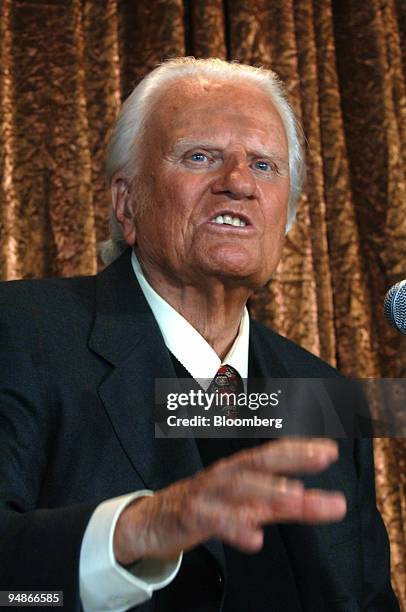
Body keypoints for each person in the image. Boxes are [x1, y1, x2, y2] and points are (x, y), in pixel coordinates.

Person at [0, 57, 398, 612]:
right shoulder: (21, 334)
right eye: (200, 156)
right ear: (126, 202)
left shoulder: (321, 390)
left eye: (264, 165)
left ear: (287, 220)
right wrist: (134, 531)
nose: (237, 183)